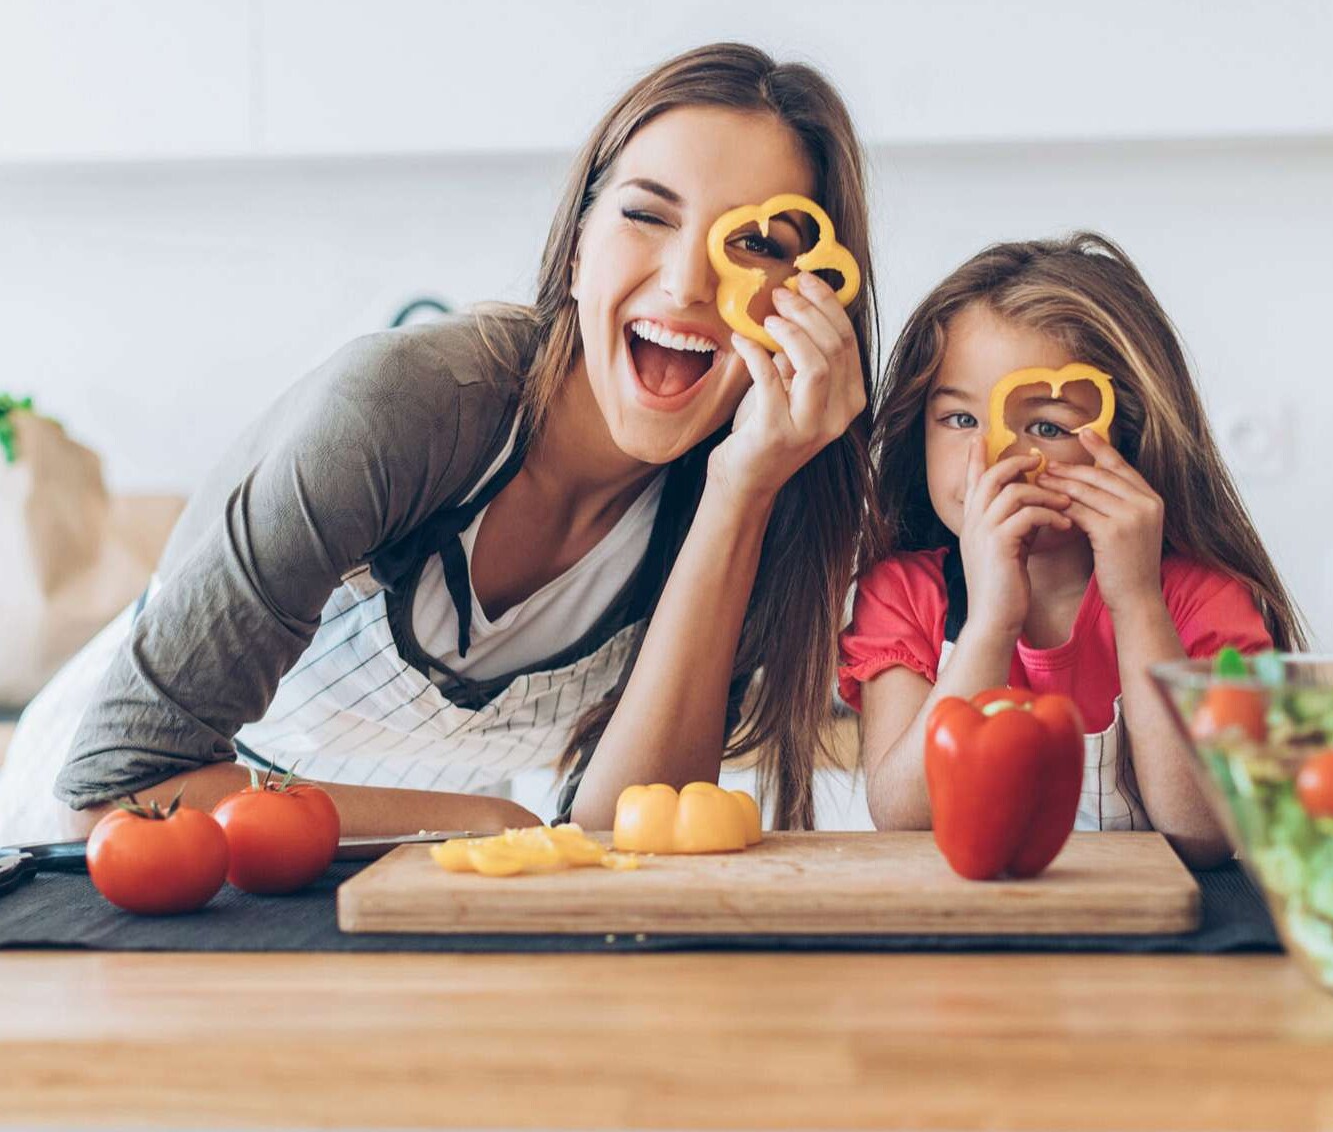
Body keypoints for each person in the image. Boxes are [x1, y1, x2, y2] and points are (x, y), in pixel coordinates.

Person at [0, 43, 879, 843]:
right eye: (648, 216)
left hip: (400, 887)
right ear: (577, 252)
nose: (687, 282)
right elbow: (117, 786)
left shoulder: (752, 500)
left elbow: (629, 836)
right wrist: (483, 818)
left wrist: (740, 492)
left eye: (757, 243)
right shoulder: (404, 410)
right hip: (116, 860)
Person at [840, 232, 1303, 867]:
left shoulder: (1200, 601)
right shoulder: (903, 596)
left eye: (1048, 427)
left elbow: (1205, 832)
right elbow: (904, 817)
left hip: (1160, 946)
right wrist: (991, 622)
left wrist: (1137, 601)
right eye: (960, 420)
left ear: (1129, 438)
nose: (996, 456)